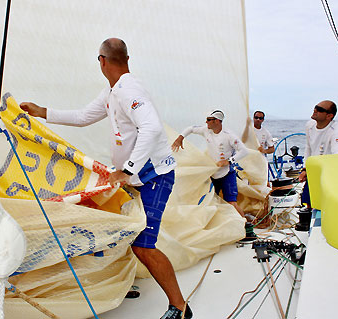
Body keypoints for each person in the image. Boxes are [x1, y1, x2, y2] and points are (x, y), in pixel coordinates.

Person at [19, 38, 192, 319]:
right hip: (137, 177)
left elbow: (151, 128)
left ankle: (180, 307)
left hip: (154, 177)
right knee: (124, 229)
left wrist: (128, 168)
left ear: (102, 60)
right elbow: (84, 116)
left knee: (143, 244)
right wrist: (43, 112)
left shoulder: (129, 90)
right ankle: (126, 282)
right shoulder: (112, 92)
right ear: (126, 57)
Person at [171, 110, 249, 219]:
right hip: (213, 174)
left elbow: (244, 151)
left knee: (231, 203)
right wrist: (180, 138)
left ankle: (245, 225)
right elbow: (190, 129)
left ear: (217, 121)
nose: (206, 122)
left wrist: (229, 161)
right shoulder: (206, 130)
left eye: (208, 120)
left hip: (227, 173)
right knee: (210, 203)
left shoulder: (229, 136)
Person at [298, 100, 338, 209]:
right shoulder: (309, 125)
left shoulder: (336, 130)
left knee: (325, 205)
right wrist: (305, 169)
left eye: (320, 110)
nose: (315, 110)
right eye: (316, 107)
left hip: (328, 172)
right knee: (308, 201)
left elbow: (337, 155)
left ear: (329, 116)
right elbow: (308, 148)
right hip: (313, 170)